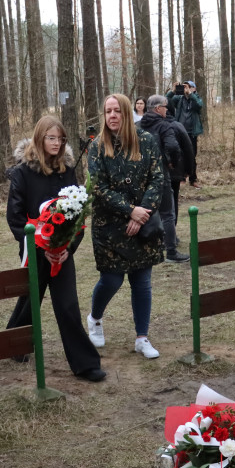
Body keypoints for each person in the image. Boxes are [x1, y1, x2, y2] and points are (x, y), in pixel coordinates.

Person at [6, 117, 106, 382]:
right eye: (51, 138)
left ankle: (85, 364)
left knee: (68, 304)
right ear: (40, 138)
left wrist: (66, 248)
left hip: (61, 252)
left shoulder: (67, 170)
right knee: (30, 299)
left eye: (60, 139)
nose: (56, 143)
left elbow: (77, 214)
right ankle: (15, 343)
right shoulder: (22, 172)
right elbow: (15, 218)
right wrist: (40, 244)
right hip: (34, 248)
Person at [86, 94, 164, 359]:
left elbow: (158, 178)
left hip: (142, 224)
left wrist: (140, 213)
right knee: (112, 278)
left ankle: (142, 337)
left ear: (127, 113)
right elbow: (99, 188)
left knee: (142, 281)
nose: (112, 116)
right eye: (108, 111)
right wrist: (130, 210)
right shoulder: (97, 146)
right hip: (109, 226)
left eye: (117, 111)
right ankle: (95, 319)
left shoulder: (147, 141)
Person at [136, 94, 187, 262]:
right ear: (158, 109)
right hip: (160, 174)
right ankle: (171, 251)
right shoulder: (165, 126)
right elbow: (173, 146)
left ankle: (145, 248)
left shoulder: (137, 126)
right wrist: (171, 162)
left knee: (144, 211)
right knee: (167, 213)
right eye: (165, 107)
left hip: (140, 175)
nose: (167, 110)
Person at [166, 80, 203, 186]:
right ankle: (181, 177)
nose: (186, 88)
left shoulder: (197, 98)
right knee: (179, 154)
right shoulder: (179, 98)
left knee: (192, 155)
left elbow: (199, 106)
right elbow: (166, 101)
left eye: (189, 86)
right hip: (180, 131)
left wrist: (190, 94)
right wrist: (173, 91)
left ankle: (193, 179)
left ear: (194, 89)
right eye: (184, 86)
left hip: (192, 132)